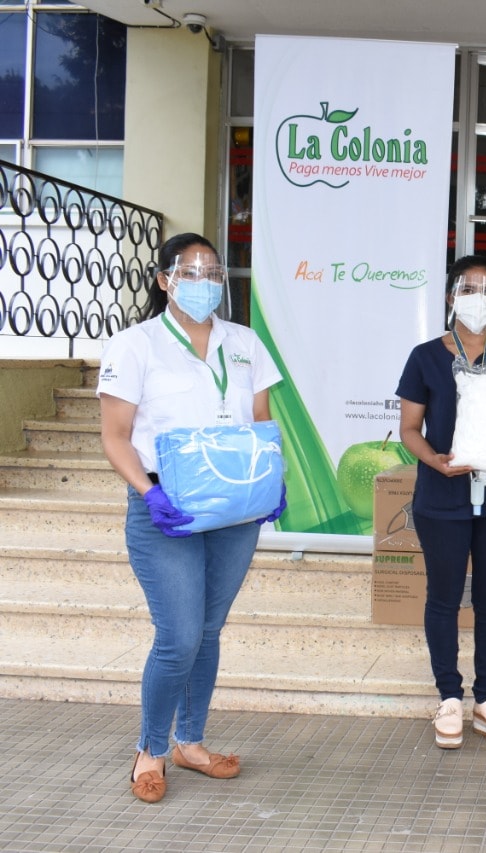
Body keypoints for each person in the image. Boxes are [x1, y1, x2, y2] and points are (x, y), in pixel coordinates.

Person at [97, 233, 286, 803]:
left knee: (206, 632)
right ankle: (151, 748)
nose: (204, 282)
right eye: (191, 271)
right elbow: (115, 436)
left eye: (213, 272)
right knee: (178, 636)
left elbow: (260, 421)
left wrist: (269, 483)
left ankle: (191, 742)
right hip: (168, 509)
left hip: (235, 509)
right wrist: (147, 492)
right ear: (165, 280)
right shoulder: (135, 345)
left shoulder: (245, 342)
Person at [396, 255, 486, 750]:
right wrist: (435, 462)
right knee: (443, 597)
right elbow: (409, 430)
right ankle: (448, 697)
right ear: (451, 297)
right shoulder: (424, 357)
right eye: (470, 288)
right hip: (442, 496)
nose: (481, 297)